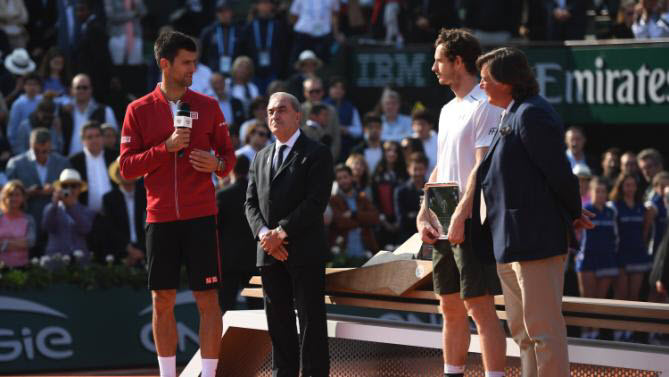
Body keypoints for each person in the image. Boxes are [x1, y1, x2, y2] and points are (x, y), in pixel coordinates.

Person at [119, 30, 236, 377]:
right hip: (160, 217)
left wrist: (215, 165)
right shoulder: (137, 110)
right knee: (162, 300)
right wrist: (165, 148)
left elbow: (229, 159)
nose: (193, 69)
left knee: (208, 300)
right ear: (165, 63)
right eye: (186, 63)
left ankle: (209, 375)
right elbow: (126, 168)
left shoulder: (209, 105)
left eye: (195, 62)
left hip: (201, 215)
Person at [474, 46, 590, 377]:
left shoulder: (531, 114)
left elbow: (558, 172)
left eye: (485, 79)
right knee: (524, 335)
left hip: (535, 242)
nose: (481, 85)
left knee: (543, 333)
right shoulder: (510, 114)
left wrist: (573, 212)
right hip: (509, 243)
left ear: (507, 81)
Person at [415, 29, 506, 377]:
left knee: (479, 308)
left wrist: (462, 213)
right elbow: (444, 163)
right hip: (443, 216)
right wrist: (426, 208)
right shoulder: (446, 109)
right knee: (449, 306)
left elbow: (481, 166)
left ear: (458, 62)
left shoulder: (485, 105)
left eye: (439, 61)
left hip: (471, 220)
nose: (433, 67)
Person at [245, 92, 333, 377]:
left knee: (311, 322)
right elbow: (250, 203)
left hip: (304, 251)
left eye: (281, 110)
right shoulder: (260, 157)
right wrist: (264, 236)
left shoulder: (317, 153)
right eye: (270, 111)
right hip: (269, 253)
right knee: (278, 323)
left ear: (298, 115)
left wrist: (280, 233)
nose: (274, 115)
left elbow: (315, 202)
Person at [6, 128, 70, 252]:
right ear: (30, 145)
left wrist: (55, 191)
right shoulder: (16, 164)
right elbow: (6, 195)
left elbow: (71, 193)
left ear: (51, 146)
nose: (41, 154)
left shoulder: (63, 163)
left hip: (55, 222)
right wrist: (27, 193)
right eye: (36, 151)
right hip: (25, 220)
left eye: (45, 151)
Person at [609, 173, 652, 340]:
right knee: (621, 295)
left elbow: (645, 231)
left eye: (633, 185)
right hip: (620, 255)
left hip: (638, 255)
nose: (630, 188)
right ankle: (618, 330)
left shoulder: (642, 207)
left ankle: (630, 331)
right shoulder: (615, 206)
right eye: (627, 185)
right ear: (621, 187)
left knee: (634, 296)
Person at [575, 177, 619, 339]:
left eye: (603, 191)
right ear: (590, 192)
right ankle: (586, 334)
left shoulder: (611, 212)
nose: (600, 194)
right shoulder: (584, 209)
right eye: (597, 191)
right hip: (587, 260)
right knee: (587, 301)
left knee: (600, 302)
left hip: (607, 260)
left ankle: (596, 334)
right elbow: (575, 234)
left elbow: (616, 237)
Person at [216, 155, 259, 313]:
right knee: (257, 310)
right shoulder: (257, 194)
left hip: (228, 261)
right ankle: (259, 338)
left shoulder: (222, 195)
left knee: (226, 307)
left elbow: (215, 226)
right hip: (252, 259)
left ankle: (225, 339)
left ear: (231, 169)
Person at [330, 164, 380, 263]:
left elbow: (375, 218)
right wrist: (363, 221)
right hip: (343, 256)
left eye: (345, 177)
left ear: (351, 177)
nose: (343, 181)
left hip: (366, 253)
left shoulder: (362, 198)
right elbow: (339, 222)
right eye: (339, 178)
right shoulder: (333, 201)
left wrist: (354, 214)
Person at [101, 158, 146, 266]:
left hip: (146, 251)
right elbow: (110, 228)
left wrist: (143, 251)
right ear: (117, 174)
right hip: (119, 253)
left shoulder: (146, 196)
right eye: (123, 169)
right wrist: (129, 249)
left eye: (130, 169)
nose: (127, 173)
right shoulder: (109, 199)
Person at [42, 168, 95, 257]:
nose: (69, 189)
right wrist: (55, 203)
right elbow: (47, 227)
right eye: (65, 186)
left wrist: (71, 207)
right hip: (56, 260)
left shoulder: (87, 210)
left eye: (73, 185)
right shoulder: (51, 208)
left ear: (80, 188)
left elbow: (85, 229)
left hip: (80, 260)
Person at [61, 73, 118, 156]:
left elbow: (112, 140)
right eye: (78, 87)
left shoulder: (105, 111)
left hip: (97, 160)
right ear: (71, 90)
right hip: (69, 160)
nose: (81, 90)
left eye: (85, 87)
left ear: (91, 89)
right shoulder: (63, 111)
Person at [242, 0, 290, 93]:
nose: (265, 6)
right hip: (254, 72)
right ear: (257, 6)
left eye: (267, 3)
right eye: (262, 3)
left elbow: (284, 49)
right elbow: (244, 48)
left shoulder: (277, 25)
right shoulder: (250, 26)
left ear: (272, 6)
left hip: (273, 71)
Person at [69, 122, 117, 212]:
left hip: (114, 213)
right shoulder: (74, 161)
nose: (94, 140)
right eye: (90, 137)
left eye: (97, 136)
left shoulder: (114, 157)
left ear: (102, 138)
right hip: (86, 216)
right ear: (82, 141)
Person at [372, 140, 407, 248]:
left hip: (403, 223)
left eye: (395, 151)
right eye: (388, 150)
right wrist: (384, 222)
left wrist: (399, 221)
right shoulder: (377, 175)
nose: (392, 153)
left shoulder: (404, 174)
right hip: (383, 223)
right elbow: (375, 201)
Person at [289, 0, 344, 65]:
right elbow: (294, 15)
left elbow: (334, 15)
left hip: (324, 34)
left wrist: (336, 33)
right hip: (303, 34)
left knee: (322, 63)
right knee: (298, 62)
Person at [300, 76, 341, 160]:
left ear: (322, 92)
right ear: (305, 93)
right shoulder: (298, 111)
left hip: (327, 160)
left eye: (317, 91)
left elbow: (336, 138)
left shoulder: (332, 110)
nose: (314, 94)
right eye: (311, 91)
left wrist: (328, 159)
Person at [199, 0, 242, 76]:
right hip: (213, 75)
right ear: (216, 13)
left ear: (231, 12)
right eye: (220, 11)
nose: (223, 14)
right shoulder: (208, 32)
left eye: (226, 11)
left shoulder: (239, 31)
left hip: (235, 74)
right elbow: (202, 55)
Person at [323, 76, 362, 160]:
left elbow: (359, 131)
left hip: (345, 150)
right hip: (325, 148)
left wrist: (346, 129)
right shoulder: (322, 106)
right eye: (335, 87)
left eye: (341, 88)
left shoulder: (351, 107)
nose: (338, 90)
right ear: (329, 89)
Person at [0, 180, 36, 267]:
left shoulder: (28, 219)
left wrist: (4, 244)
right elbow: (25, 243)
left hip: (22, 268)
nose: (13, 198)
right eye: (10, 195)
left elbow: (30, 242)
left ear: (23, 198)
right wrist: (20, 243)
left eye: (17, 195)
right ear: (4, 197)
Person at [395, 152, 427, 242]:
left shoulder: (432, 190)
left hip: (429, 237)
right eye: (415, 169)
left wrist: (412, 215)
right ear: (408, 169)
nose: (418, 173)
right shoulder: (400, 191)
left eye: (420, 169)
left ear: (425, 169)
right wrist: (422, 217)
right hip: (407, 238)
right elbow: (401, 220)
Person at [104, 0, 148, 66]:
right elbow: (112, 16)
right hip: (117, 35)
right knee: (118, 65)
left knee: (135, 66)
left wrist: (137, 3)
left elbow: (144, 12)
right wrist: (133, 14)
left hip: (135, 34)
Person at [7, 71, 42, 151]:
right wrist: (16, 149)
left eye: (35, 84)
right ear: (24, 86)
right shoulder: (18, 104)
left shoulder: (43, 101)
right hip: (23, 146)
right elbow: (12, 129)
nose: (32, 87)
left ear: (39, 86)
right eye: (29, 84)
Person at [646, 171, 669, 256]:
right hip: (658, 248)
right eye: (663, 187)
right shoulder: (653, 205)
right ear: (655, 188)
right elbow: (646, 229)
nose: (666, 189)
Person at [411, 108, 437, 173]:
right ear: (412, 126)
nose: (419, 128)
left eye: (423, 124)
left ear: (430, 125)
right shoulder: (409, 142)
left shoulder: (439, 140)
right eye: (416, 124)